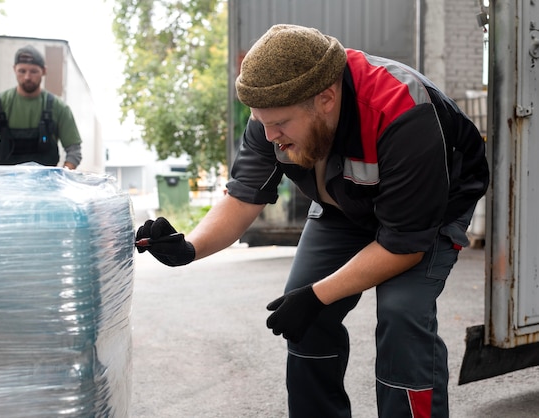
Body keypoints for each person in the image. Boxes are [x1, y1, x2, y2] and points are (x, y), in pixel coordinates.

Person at [135, 24, 489, 418]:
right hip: (344, 204)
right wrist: (189, 248)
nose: (270, 137)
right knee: (303, 313)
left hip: (429, 211)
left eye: (280, 124)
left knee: (402, 314)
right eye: (261, 123)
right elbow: (242, 197)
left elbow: (403, 244)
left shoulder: (403, 111)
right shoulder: (273, 113)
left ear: (326, 98)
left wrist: (319, 294)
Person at [0, 45, 82, 169]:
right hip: (7, 185)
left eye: (34, 71)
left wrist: (60, 178)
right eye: (22, 71)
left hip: (46, 186)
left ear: (44, 71)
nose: (27, 77)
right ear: (14, 69)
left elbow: (74, 151)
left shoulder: (59, 108)